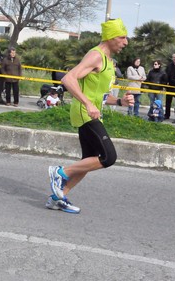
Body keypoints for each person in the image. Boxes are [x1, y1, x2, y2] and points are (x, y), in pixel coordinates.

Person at [47, 18, 133, 214]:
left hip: (93, 112)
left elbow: (100, 96)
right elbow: (68, 79)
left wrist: (120, 102)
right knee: (108, 157)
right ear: (111, 37)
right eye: (122, 37)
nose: (125, 42)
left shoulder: (108, 62)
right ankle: (60, 172)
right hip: (85, 113)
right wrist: (87, 103)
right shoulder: (96, 55)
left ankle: (57, 198)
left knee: (89, 160)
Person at [164, 53, 175, 120]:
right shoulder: (169, 66)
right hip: (170, 86)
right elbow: (166, 75)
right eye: (174, 57)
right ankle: (167, 115)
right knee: (168, 102)